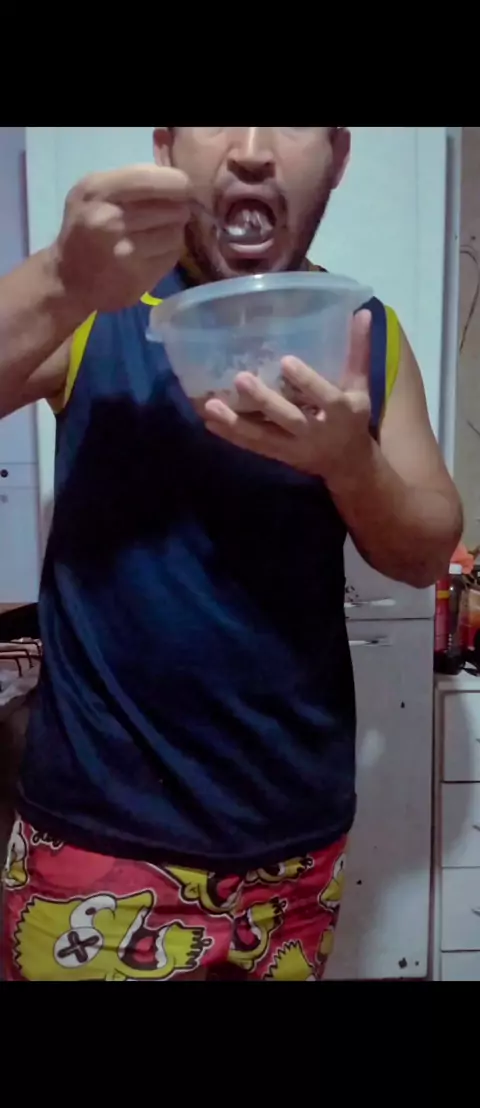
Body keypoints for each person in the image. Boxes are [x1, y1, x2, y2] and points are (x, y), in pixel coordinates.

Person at [0, 127, 462, 981]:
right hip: (99, 845)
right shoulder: (94, 301)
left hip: (294, 852)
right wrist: (62, 278)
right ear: (167, 146)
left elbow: (426, 549)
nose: (251, 148)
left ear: (339, 158)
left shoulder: (365, 334)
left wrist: (350, 464)